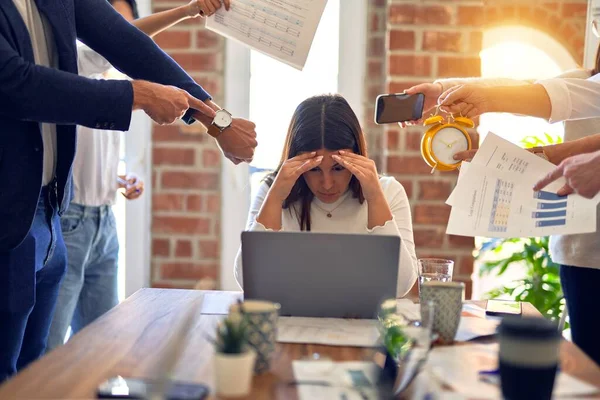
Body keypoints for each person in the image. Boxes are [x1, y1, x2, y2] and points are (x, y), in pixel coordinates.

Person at [0, 0, 256, 381]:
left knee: (35, 376)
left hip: (50, 212)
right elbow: (15, 84)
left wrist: (217, 121)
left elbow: (124, 40)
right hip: (8, 219)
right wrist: (135, 95)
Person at [46, 0, 222, 352]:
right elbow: (122, 41)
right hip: (71, 223)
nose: (115, 33)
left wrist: (118, 179)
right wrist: (185, 11)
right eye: (109, 23)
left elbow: (86, 155)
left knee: (104, 346)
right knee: (49, 350)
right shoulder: (73, 66)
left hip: (104, 224)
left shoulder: (113, 91)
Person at [402, 54, 600, 365]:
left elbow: (549, 98)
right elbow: (538, 90)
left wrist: (544, 155)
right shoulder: (586, 80)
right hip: (582, 253)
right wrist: (444, 90)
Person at [234, 94, 418, 297]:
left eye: (338, 168)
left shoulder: (388, 191)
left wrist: (375, 197)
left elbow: (401, 286)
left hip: (363, 325)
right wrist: (276, 197)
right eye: (314, 170)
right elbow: (247, 280)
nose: (327, 184)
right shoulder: (273, 191)